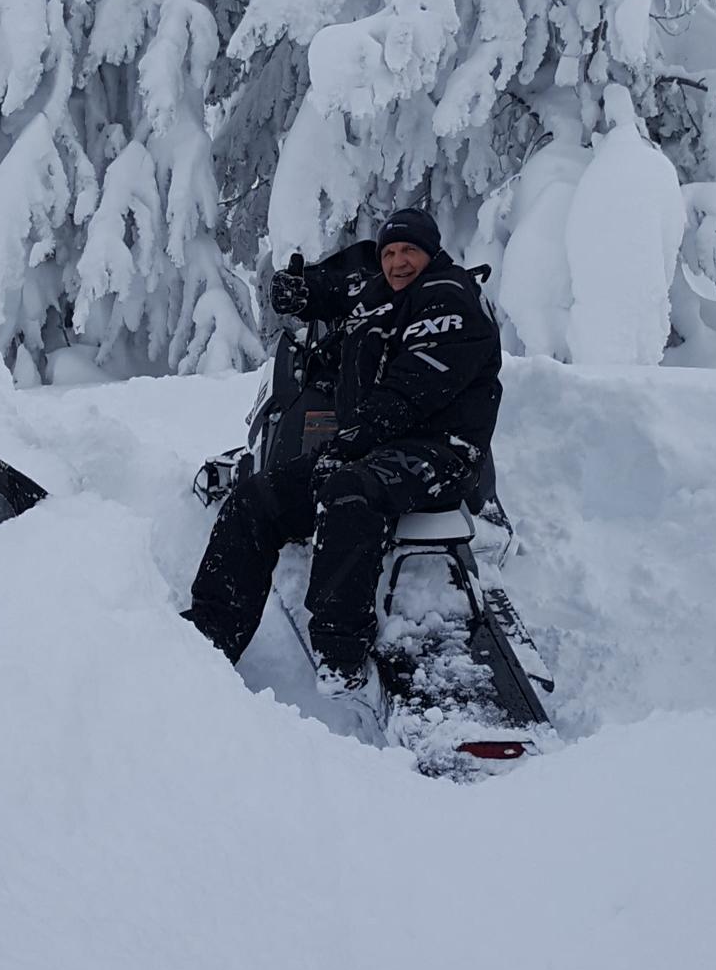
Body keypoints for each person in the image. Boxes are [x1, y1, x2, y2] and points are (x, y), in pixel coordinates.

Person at [184, 204, 502, 686]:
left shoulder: (448, 298)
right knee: (255, 499)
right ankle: (211, 634)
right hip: (375, 447)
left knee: (349, 491)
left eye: (409, 251)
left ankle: (341, 654)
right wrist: (304, 296)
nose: (397, 262)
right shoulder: (384, 296)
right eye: (389, 253)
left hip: (440, 451)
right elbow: (344, 296)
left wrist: (350, 440)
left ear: (431, 252)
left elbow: (412, 390)